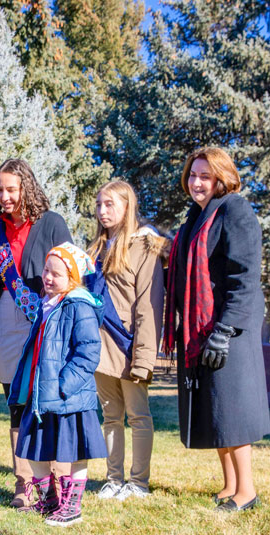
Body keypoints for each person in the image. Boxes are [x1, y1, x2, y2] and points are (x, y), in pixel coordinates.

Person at [164, 147, 270, 512]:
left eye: (205, 176)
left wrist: (225, 329)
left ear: (222, 178)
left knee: (232, 409)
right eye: (192, 175)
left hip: (229, 327)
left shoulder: (234, 210)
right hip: (202, 329)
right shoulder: (196, 218)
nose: (196, 182)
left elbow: (245, 277)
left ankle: (247, 491)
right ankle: (229, 485)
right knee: (217, 409)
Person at [0, 158, 73, 509]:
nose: (5, 196)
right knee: (16, 403)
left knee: (47, 400)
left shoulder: (51, 223)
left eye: (11, 189)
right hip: (6, 318)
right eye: (0, 190)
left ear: (26, 188)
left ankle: (53, 481)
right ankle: (23, 483)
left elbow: (69, 269)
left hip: (45, 316)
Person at [8, 243, 107, 527]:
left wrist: (64, 385)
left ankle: (72, 506)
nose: (48, 277)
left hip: (67, 396)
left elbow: (88, 351)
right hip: (42, 393)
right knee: (35, 446)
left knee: (74, 450)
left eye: (57, 274)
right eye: (46, 270)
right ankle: (49, 499)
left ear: (72, 279)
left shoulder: (78, 305)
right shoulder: (46, 304)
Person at [85, 181, 168, 501]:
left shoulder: (146, 247)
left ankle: (139, 482)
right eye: (99, 205)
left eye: (110, 205)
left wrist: (145, 358)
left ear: (127, 207)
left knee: (138, 416)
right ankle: (113, 478)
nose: (102, 211)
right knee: (110, 416)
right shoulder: (96, 248)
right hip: (99, 346)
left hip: (129, 345)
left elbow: (149, 305)